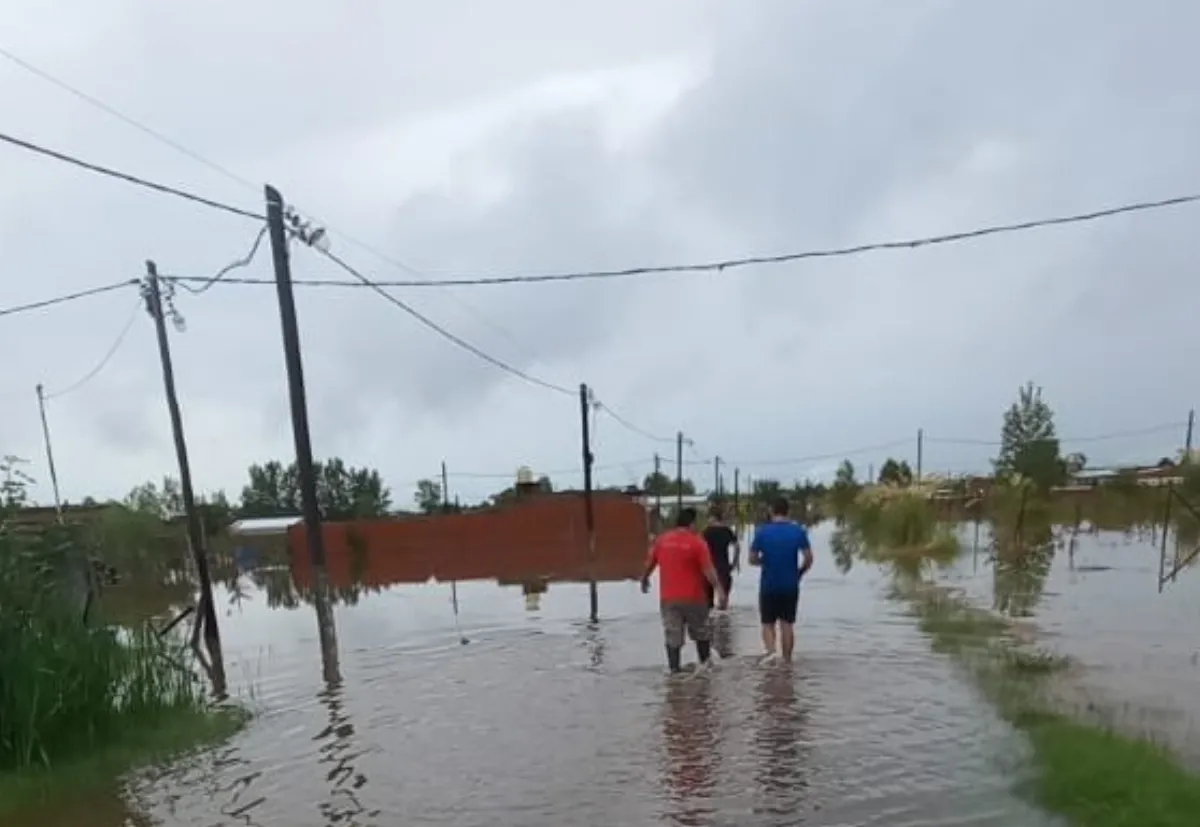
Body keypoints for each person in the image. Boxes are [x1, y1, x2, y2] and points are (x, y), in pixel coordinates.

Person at [642, 506, 726, 673]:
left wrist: (644, 579)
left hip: (669, 599)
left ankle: (674, 672)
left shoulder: (662, 540)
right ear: (692, 523)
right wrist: (719, 589)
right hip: (695, 598)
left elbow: (650, 563)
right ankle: (705, 668)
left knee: (673, 636)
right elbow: (708, 570)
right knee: (701, 634)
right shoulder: (698, 543)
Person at [749, 497, 813, 664]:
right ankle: (787, 661)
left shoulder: (762, 532)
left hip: (768, 584)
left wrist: (765, 561)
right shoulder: (798, 531)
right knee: (787, 624)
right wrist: (799, 573)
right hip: (790, 584)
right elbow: (808, 558)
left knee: (768, 623)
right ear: (788, 511)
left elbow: (752, 559)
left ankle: (771, 656)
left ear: (772, 511)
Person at [701, 506, 740, 610]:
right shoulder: (727, 531)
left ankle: (710, 625)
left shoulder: (706, 532)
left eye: (708, 517)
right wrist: (734, 563)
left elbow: (699, 549)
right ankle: (724, 625)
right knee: (724, 602)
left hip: (709, 568)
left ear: (713, 517)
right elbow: (737, 547)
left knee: (708, 605)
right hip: (724, 567)